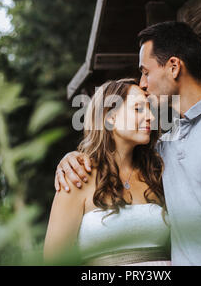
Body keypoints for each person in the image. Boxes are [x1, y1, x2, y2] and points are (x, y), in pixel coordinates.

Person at [54, 21, 201, 266]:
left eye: (145, 71)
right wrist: (71, 159)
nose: (142, 82)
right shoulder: (163, 148)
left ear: (173, 67)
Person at [43, 78, 171, 266]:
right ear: (110, 116)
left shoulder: (157, 172)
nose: (151, 117)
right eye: (138, 109)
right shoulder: (78, 176)